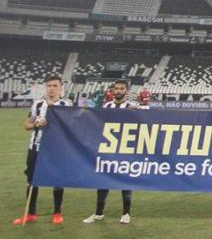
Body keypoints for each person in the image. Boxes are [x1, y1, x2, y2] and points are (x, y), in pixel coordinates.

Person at [13, 75, 72, 225]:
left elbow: (71, 125)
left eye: (55, 86)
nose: (52, 88)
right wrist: (36, 125)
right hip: (35, 147)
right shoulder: (38, 104)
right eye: (49, 85)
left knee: (57, 179)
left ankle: (57, 213)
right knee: (32, 180)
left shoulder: (66, 104)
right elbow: (27, 124)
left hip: (57, 149)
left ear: (60, 88)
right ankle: (31, 213)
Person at [84, 79, 138, 224]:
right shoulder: (107, 106)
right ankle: (98, 213)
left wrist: (136, 114)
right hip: (107, 149)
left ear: (126, 91)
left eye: (121, 88)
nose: (118, 91)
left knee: (125, 181)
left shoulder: (132, 107)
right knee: (103, 181)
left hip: (125, 150)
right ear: (113, 90)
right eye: (116, 88)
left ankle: (126, 213)